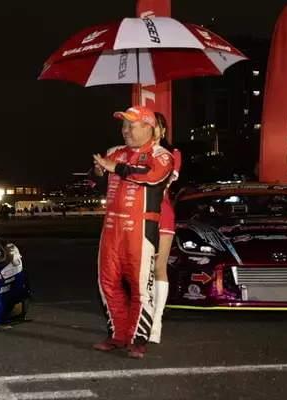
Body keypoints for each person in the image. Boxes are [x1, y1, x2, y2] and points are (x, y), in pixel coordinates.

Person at [92, 106, 174, 359]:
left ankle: (137, 339)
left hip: (140, 229)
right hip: (111, 227)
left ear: (149, 127)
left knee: (140, 286)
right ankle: (118, 334)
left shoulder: (161, 155)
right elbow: (96, 180)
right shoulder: (114, 152)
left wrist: (115, 168)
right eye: (123, 126)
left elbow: (151, 175)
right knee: (107, 282)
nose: (125, 130)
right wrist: (98, 172)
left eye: (131, 126)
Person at [149, 112, 181, 344]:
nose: (152, 130)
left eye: (156, 126)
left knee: (159, 267)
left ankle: (156, 321)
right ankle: (144, 315)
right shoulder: (132, 154)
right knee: (142, 270)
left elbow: (164, 178)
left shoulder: (172, 154)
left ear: (163, 131)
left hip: (162, 213)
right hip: (138, 215)